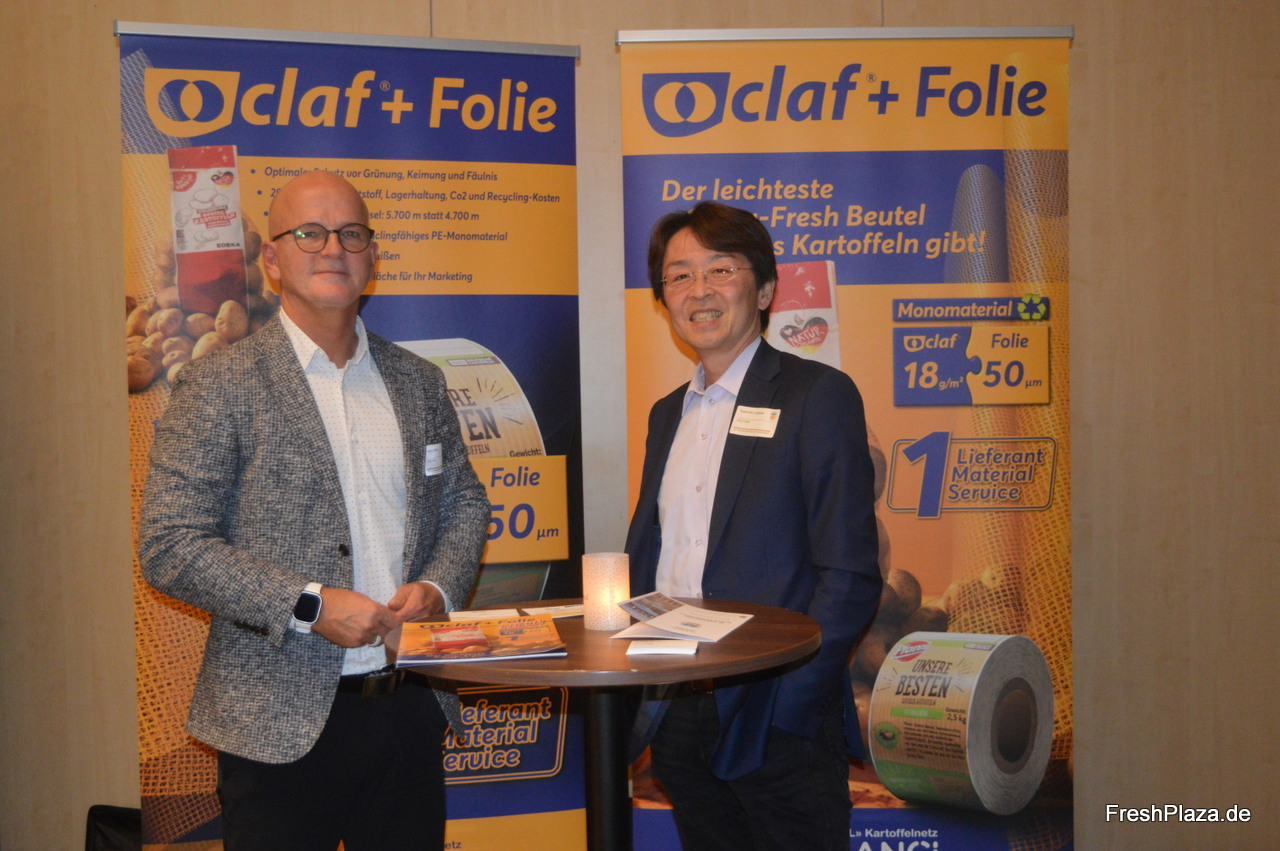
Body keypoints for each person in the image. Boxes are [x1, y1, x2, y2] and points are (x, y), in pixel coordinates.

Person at [139, 170, 490, 850]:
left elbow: (464, 501)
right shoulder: (218, 382)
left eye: (351, 233)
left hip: (408, 708)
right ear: (272, 260)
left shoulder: (419, 382)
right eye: (310, 233)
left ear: (372, 256)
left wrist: (439, 587)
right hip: (274, 724)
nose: (333, 248)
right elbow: (170, 543)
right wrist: (310, 604)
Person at [625, 201, 882, 851]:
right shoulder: (665, 414)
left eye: (721, 269)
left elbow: (849, 572)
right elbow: (657, 554)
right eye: (679, 276)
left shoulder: (815, 394)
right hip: (678, 705)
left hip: (774, 711)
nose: (699, 291)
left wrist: (792, 703)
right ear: (663, 299)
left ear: (765, 290)